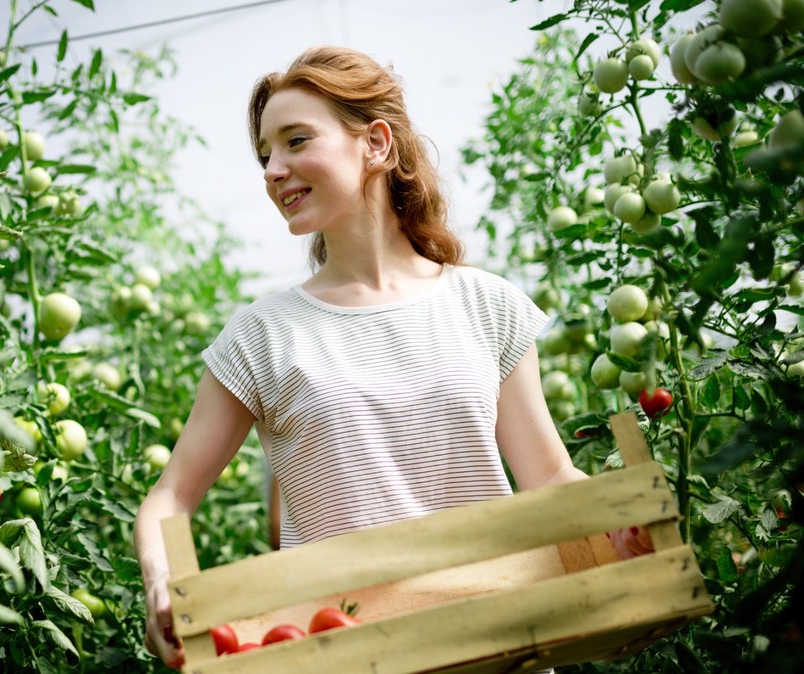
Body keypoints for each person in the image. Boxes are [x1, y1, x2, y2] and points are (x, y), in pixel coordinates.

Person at [132, 46, 652, 669]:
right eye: (266, 154)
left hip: (499, 643)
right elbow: (171, 496)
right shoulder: (262, 335)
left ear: (375, 144)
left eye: (296, 141)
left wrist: (619, 521)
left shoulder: (486, 305)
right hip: (345, 656)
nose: (273, 169)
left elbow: (548, 476)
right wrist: (162, 583)